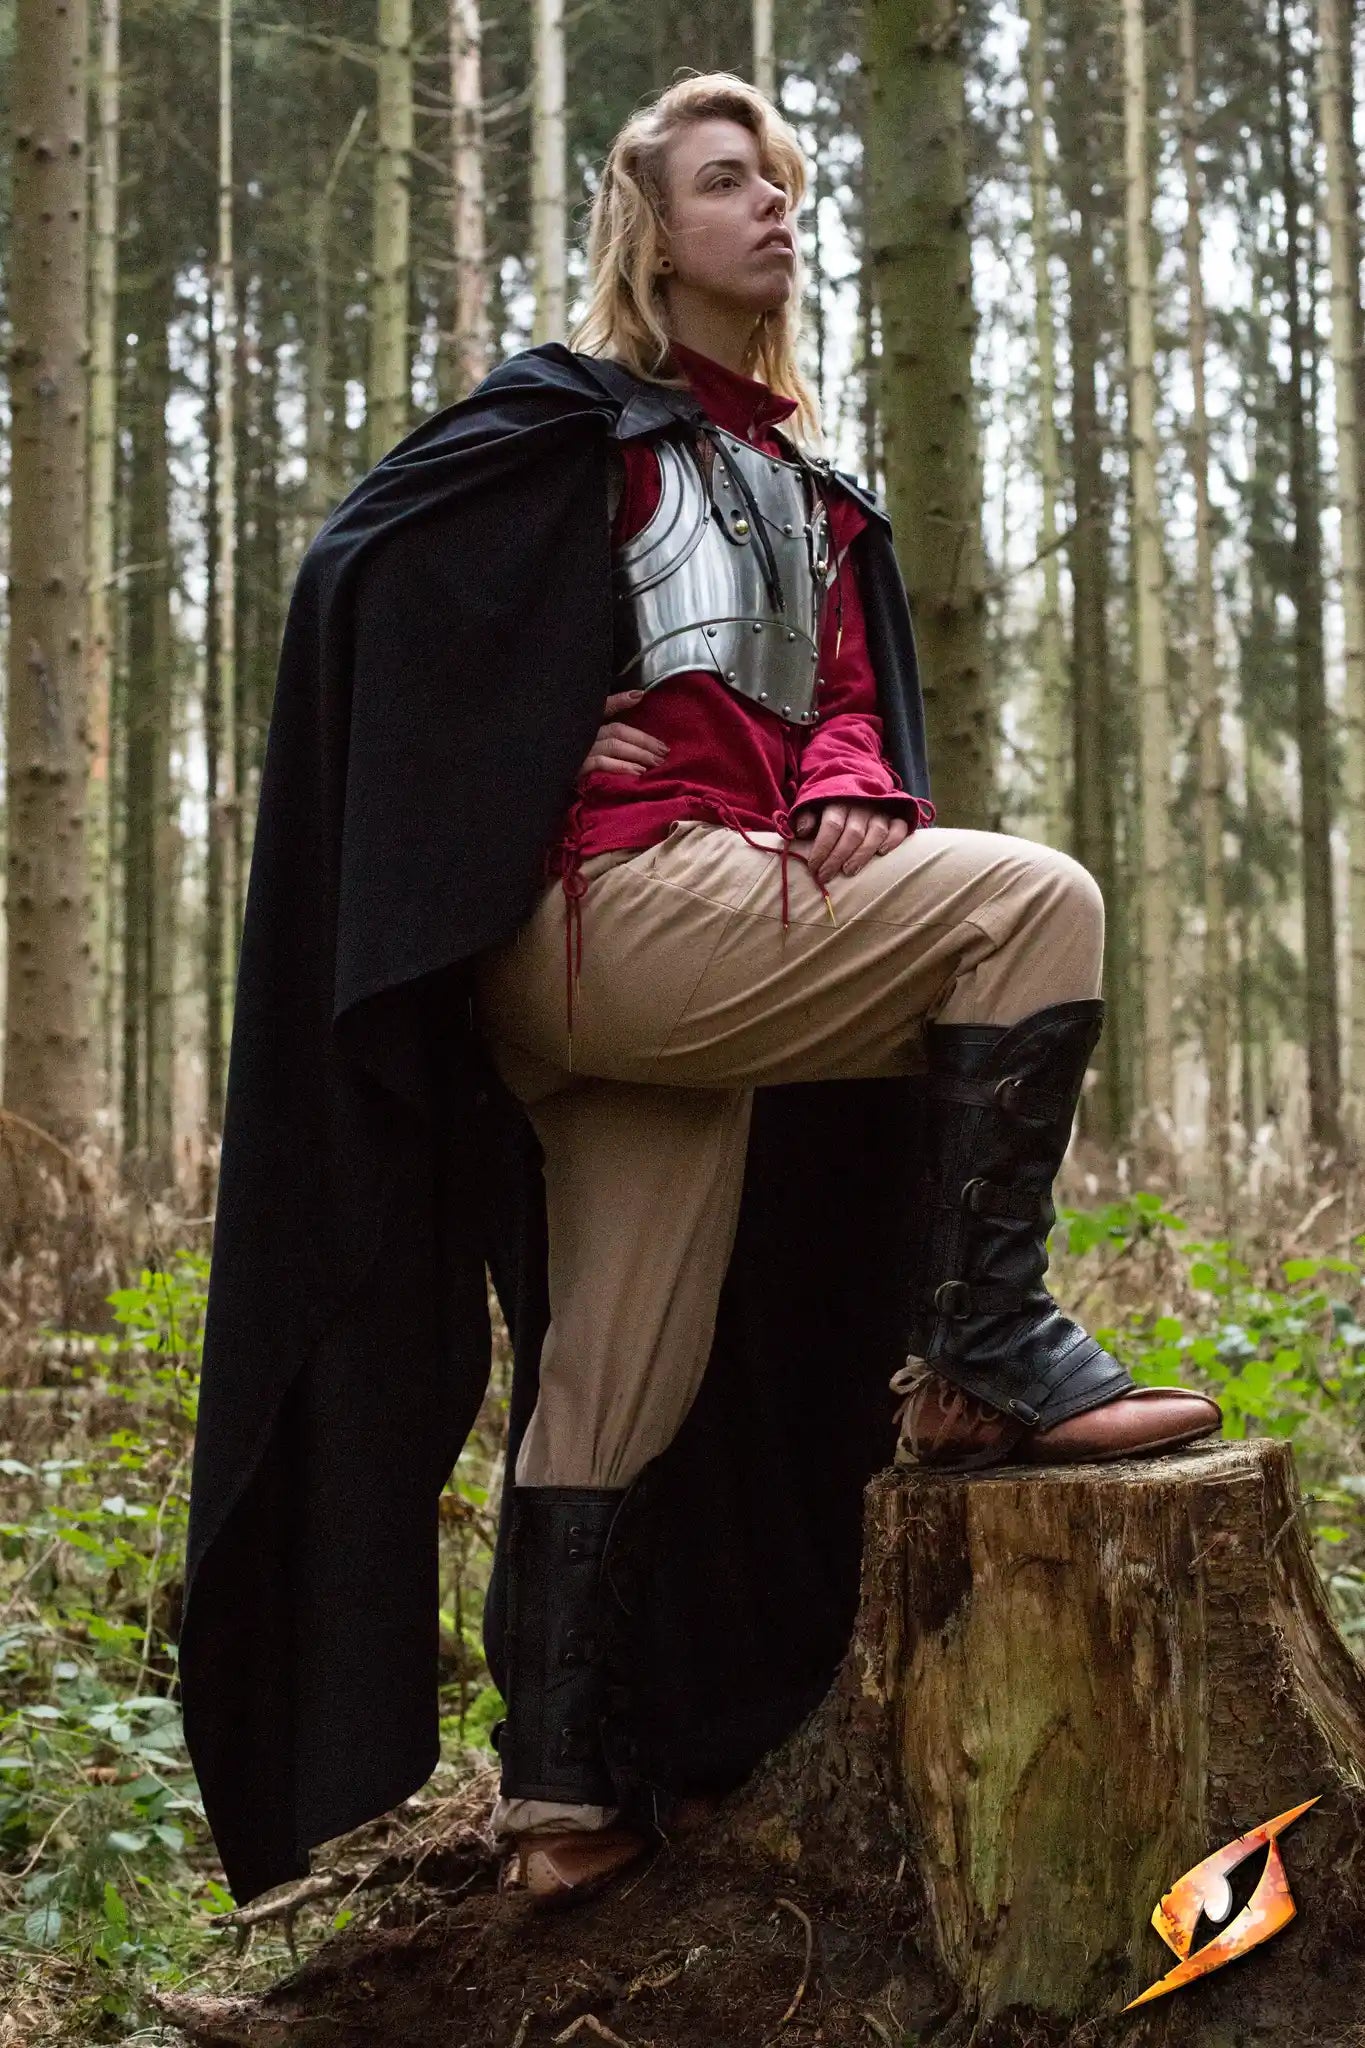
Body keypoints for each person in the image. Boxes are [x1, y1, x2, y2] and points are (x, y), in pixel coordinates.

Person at [178, 70, 1219, 1918]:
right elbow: (363, 578)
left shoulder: (803, 479)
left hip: (681, 955)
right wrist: (514, 744)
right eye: (728, 181)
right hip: (607, 918)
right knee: (1034, 909)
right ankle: (981, 1358)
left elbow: (829, 707)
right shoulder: (562, 431)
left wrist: (838, 776)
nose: (778, 209)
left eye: (788, 182)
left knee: (620, 1352)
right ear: (650, 229)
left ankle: (566, 1789)